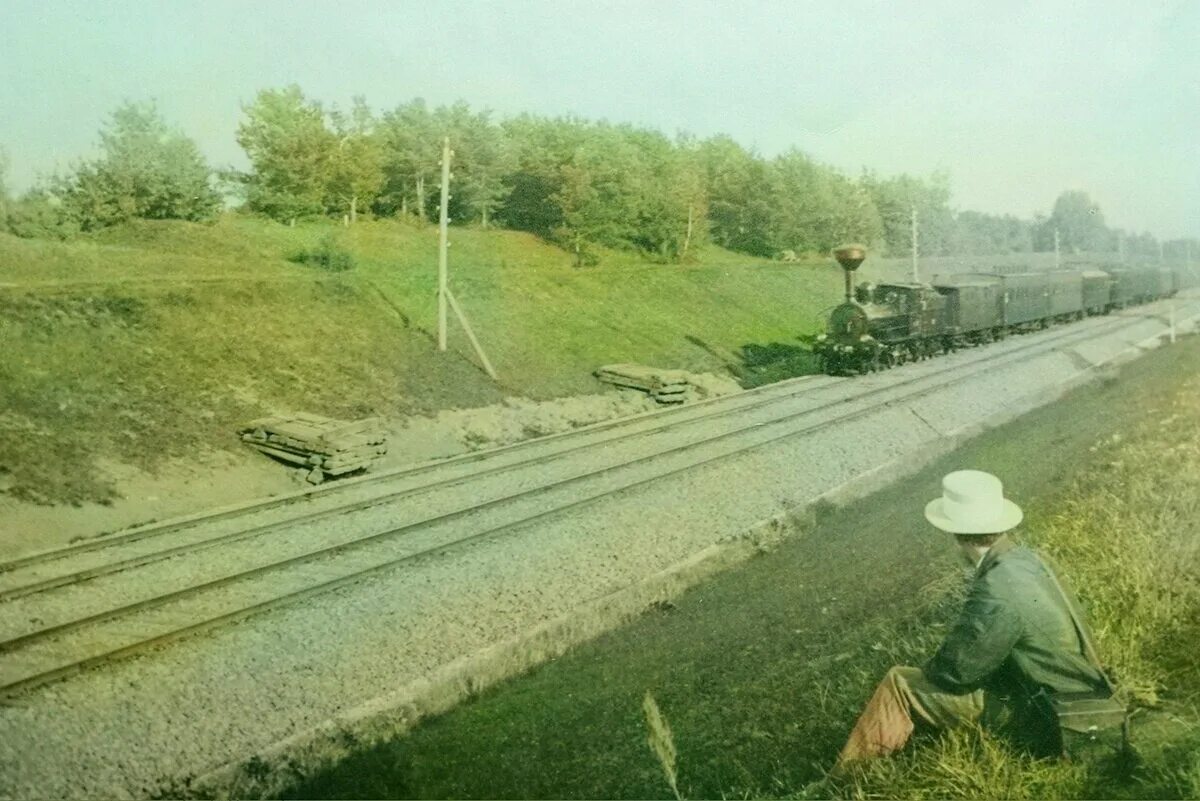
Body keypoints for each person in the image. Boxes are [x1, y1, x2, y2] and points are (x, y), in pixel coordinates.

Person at [835, 469, 1111, 769]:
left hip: (1045, 716)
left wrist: (934, 667)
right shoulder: (1029, 559)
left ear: (957, 534)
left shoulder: (996, 588)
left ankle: (844, 778)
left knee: (899, 683)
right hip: (1078, 695)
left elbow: (956, 673)